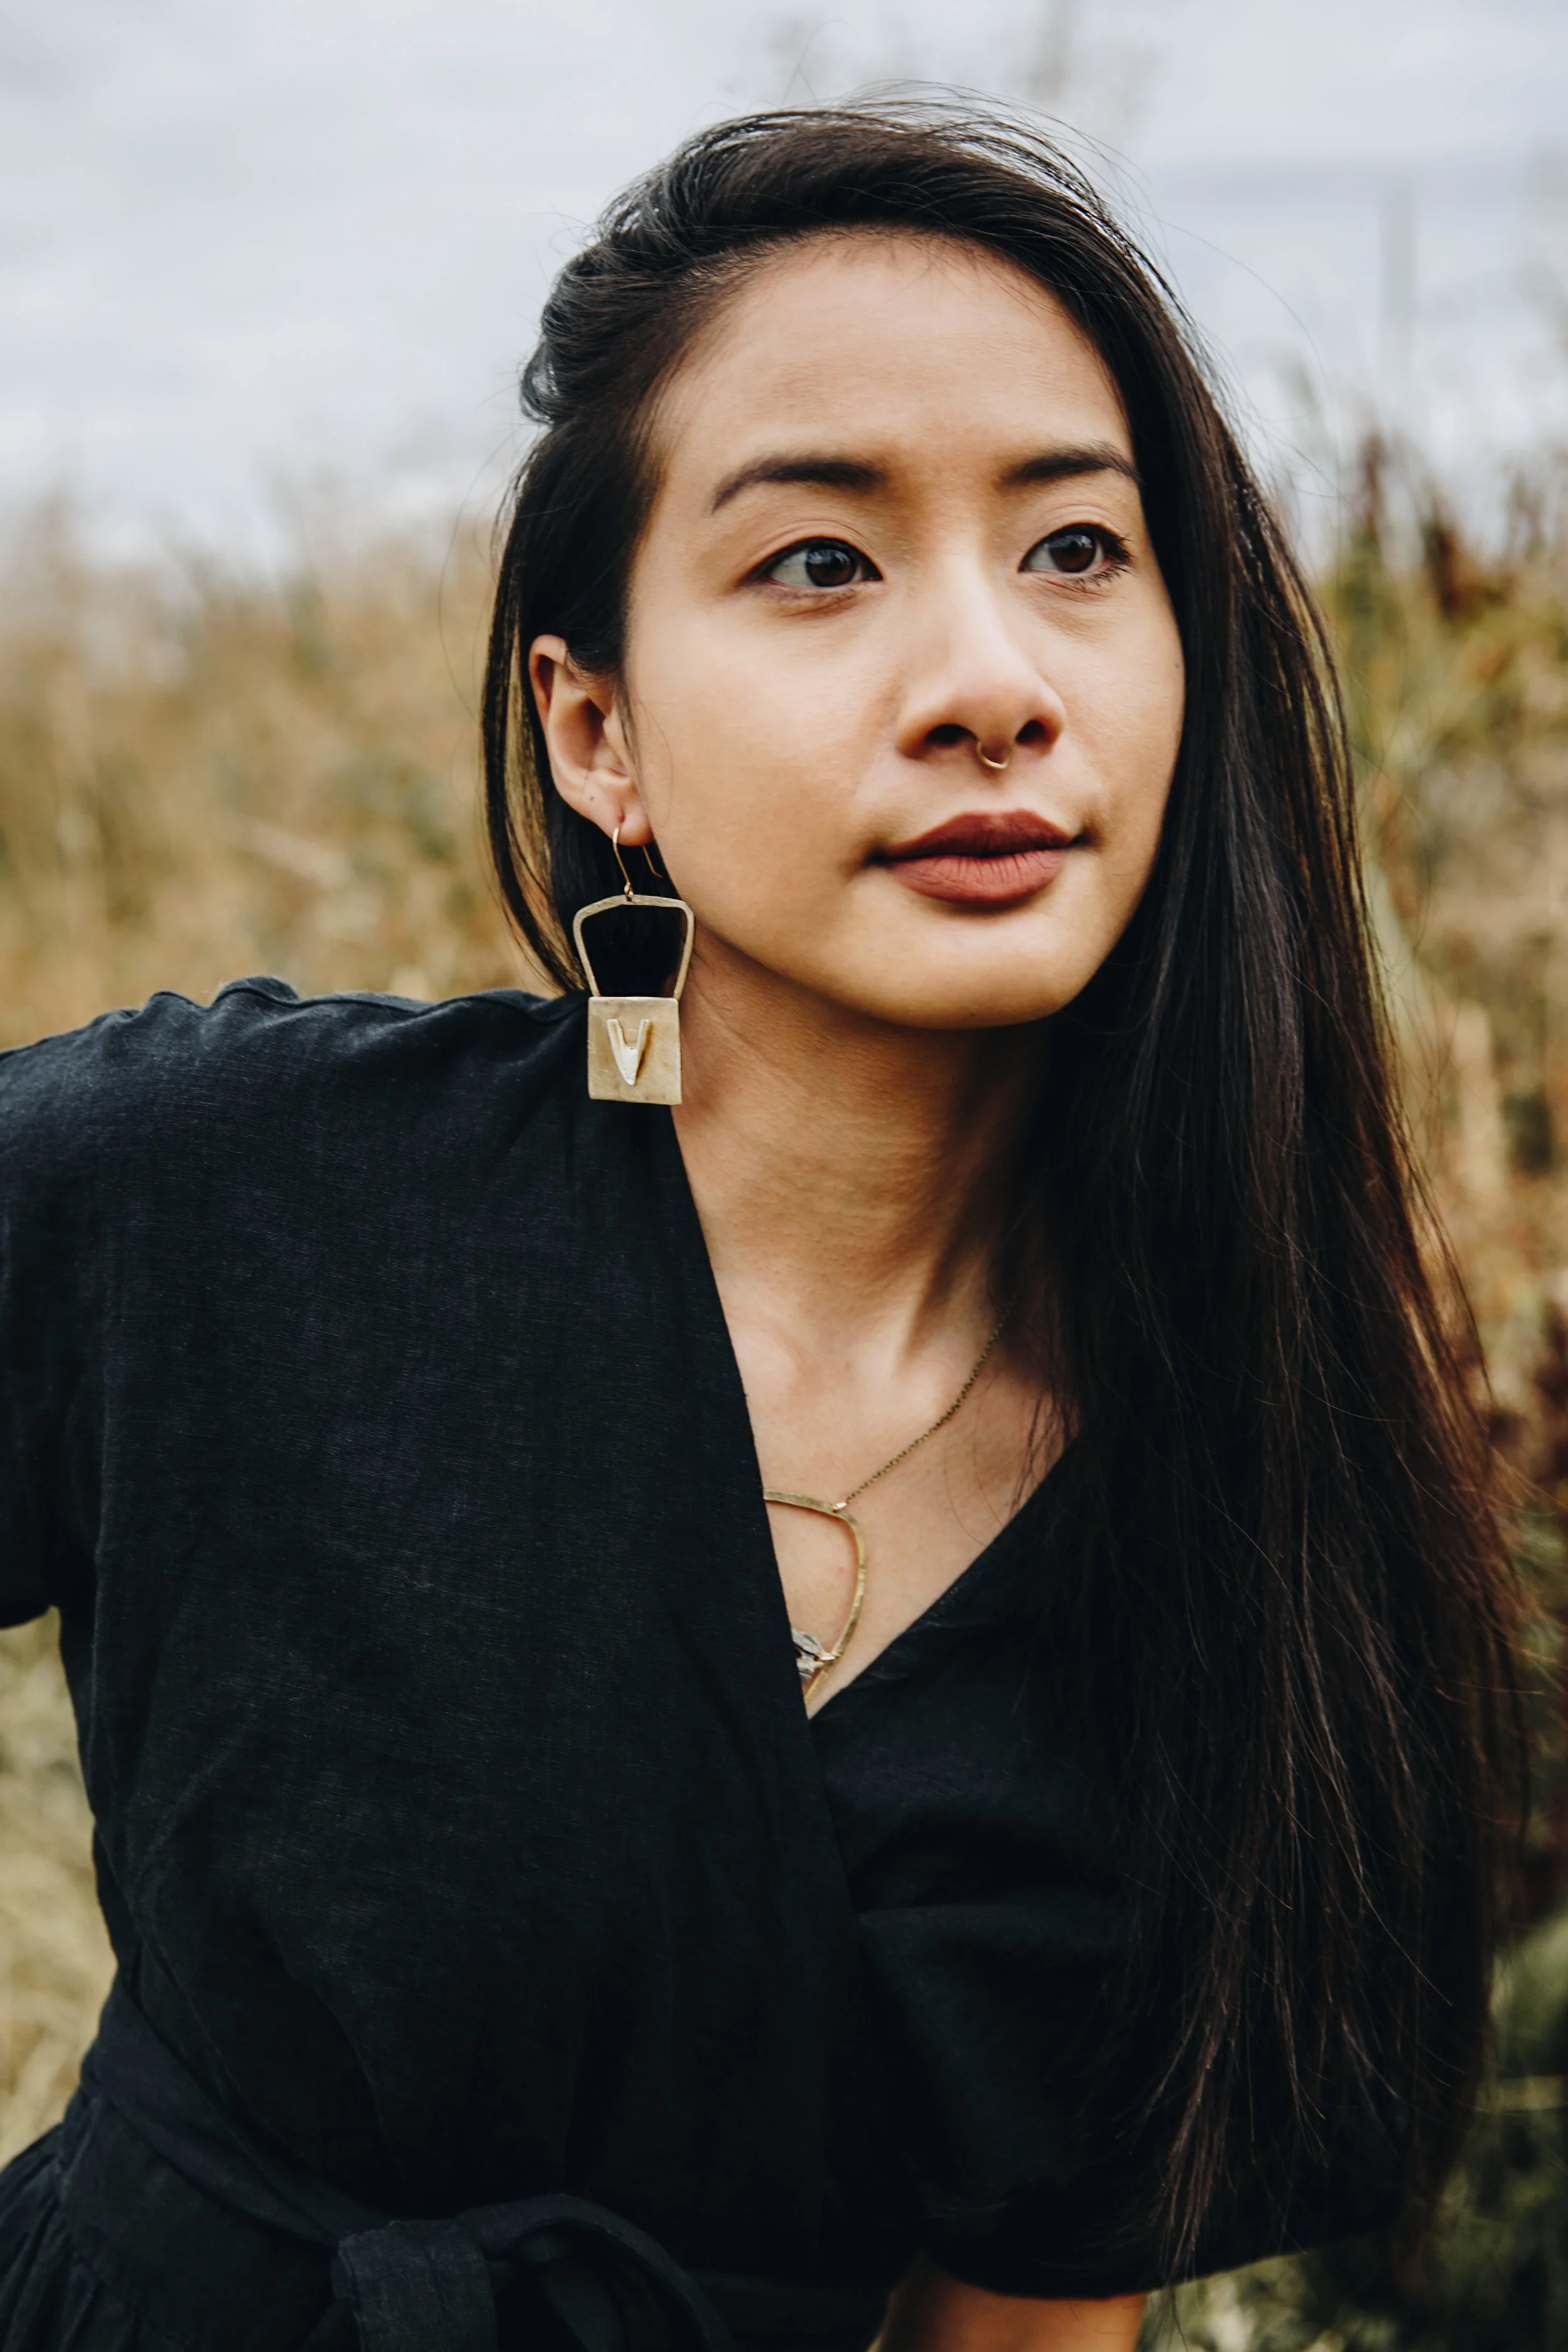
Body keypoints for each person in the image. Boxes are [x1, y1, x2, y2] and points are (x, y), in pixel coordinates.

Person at [0, 102, 1522, 2352]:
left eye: (1079, 549)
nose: (994, 675)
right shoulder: (234, 1189)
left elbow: (1020, 2325)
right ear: (594, 727)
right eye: (819, 560)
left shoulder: (1252, 1485)